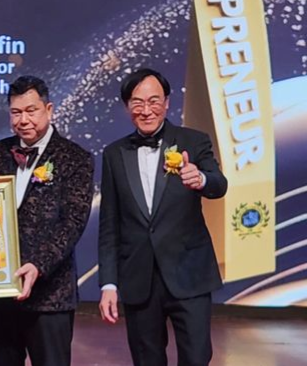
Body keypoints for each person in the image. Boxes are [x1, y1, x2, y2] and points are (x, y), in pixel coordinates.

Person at [98, 68, 228, 366]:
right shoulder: (114, 154)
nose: (146, 111)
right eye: (137, 103)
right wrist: (108, 284)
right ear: (127, 106)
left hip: (189, 273)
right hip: (139, 279)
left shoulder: (193, 142)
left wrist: (202, 180)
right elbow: (109, 224)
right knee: (147, 359)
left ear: (167, 103)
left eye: (154, 101)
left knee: (196, 357)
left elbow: (219, 184)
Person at [0, 75, 94, 366]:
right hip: (0, 292)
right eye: (16, 112)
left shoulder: (75, 157)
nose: (23, 120)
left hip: (50, 295)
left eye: (31, 111)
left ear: (49, 109)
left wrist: (38, 265)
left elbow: (73, 222)